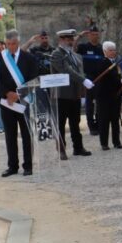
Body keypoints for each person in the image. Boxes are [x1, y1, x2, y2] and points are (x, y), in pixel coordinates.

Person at [0, 30, 38, 177]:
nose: (10, 47)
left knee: (27, 135)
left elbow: (34, 79)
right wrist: (7, 93)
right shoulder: (0, 57)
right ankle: (12, 166)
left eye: (13, 44)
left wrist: (18, 94)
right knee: (10, 135)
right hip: (7, 102)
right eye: (7, 44)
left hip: (24, 101)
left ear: (18, 42)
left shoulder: (29, 58)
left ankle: (28, 166)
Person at [50, 29, 92, 158]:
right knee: (61, 124)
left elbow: (80, 71)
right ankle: (61, 150)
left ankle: (78, 147)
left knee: (75, 123)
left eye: (71, 39)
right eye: (67, 39)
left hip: (74, 94)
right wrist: (84, 80)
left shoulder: (74, 55)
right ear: (61, 40)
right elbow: (67, 70)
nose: (70, 41)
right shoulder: (56, 54)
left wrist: (83, 92)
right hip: (61, 95)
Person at [95, 41, 122, 150]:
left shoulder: (117, 62)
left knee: (115, 119)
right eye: (110, 50)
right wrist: (121, 79)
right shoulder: (102, 62)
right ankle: (104, 143)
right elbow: (112, 77)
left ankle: (116, 142)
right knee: (104, 120)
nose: (113, 52)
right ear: (105, 51)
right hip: (104, 96)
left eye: (114, 50)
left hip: (116, 95)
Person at [77, 24, 106, 135]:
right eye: (92, 34)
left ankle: (99, 124)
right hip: (88, 78)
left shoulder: (101, 48)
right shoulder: (83, 47)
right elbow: (73, 49)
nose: (95, 36)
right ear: (89, 35)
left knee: (99, 102)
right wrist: (79, 36)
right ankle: (91, 126)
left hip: (100, 78)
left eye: (96, 34)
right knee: (89, 104)